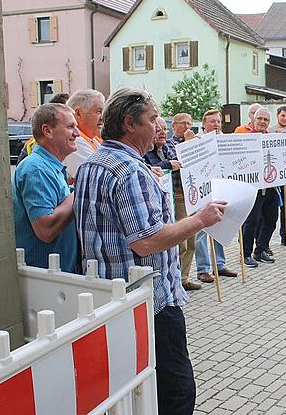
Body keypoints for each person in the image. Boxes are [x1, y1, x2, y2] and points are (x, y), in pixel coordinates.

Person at [73, 88, 226, 415]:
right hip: (150, 304)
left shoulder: (93, 162)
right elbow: (147, 239)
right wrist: (201, 219)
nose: (161, 126)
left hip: (110, 298)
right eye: (153, 118)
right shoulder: (130, 170)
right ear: (129, 123)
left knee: (133, 390)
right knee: (176, 392)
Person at [12, 103, 79, 272]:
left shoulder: (47, 166)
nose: (77, 133)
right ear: (47, 130)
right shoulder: (36, 168)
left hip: (54, 278)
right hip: (45, 283)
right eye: (70, 127)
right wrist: (79, 192)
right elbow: (46, 229)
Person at [158, 113, 201, 290]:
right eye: (183, 123)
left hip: (192, 193)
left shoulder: (194, 141)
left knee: (192, 240)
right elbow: (180, 161)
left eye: (189, 124)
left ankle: (184, 277)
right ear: (174, 126)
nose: (187, 127)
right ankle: (175, 279)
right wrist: (189, 144)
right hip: (178, 195)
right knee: (181, 240)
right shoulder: (168, 144)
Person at [194, 109, 236, 283]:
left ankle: (219, 264)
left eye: (219, 121)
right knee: (202, 230)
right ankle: (203, 268)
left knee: (219, 225)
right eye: (213, 122)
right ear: (204, 124)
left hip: (220, 187)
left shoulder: (224, 140)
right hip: (203, 189)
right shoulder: (197, 141)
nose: (217, 125)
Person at [237, 107, 279, 267]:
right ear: (253, 120)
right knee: (251, 221)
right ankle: (246, 254)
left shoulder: (273, 138)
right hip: (251, 187)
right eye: (260, 118)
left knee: (271, 219)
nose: (262, 122)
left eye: (266, 120)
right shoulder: (243, 137)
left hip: (271, 187)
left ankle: (260, 249)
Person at [268, 106, 286, 248]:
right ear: (277, 116)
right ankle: (264, 242)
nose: (285, 119)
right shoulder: (270, 130)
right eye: (282, 116)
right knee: (270, 211)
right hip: (273, 178)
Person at [63, 89, 105, 184]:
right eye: (99, 112)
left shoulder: (93, 140)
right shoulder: (74, 141)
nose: (103, 117)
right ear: (78, 113)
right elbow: (97, 177)